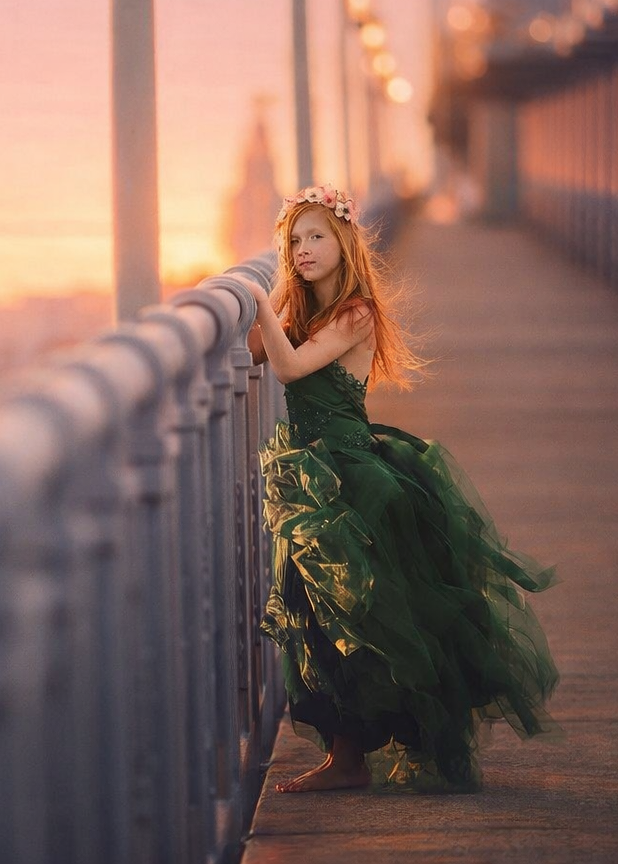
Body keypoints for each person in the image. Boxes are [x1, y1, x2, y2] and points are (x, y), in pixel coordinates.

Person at [237, 185, 559, 793]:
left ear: (346, 242)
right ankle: (346, 756)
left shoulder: (356, 311)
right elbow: (258, 348)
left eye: (317, 238)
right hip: (310, 471)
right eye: (294, 241)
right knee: (314, 607)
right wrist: (277, 290)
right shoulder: (305, 309)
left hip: (352, 473)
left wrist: (255, 296)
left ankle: (368, 748)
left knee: (366, 609)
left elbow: (287, 367)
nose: (304, 250)